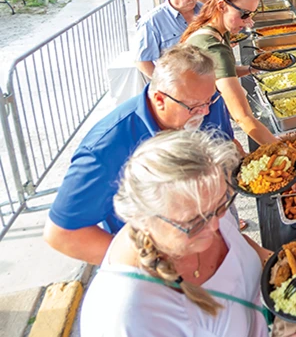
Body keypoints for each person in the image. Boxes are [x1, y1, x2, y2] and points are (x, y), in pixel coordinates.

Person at [80, 130, 296, 337]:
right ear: (145, 219)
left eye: (221, 206)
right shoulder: (126, 317)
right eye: (194, 223)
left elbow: (236, 243)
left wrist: (279, 263)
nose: (215, 224)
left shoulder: (205, 198)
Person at [43, 45, 235, 264]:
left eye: (209, 101)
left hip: (218, 224)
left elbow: (226, 144)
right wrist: (148, 266)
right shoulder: (106, 148)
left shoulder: (205, 100)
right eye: (193, 106)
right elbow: (61, 234)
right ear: (160, 99)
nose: (206, 112)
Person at [182, 0, 280, 146]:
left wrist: (252, 68)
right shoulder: (214, 47)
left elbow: (221, 72)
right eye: (244, 14)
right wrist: (287, 154)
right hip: (200, 135)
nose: (249, 22)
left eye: (252, 15)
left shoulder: (215, 29)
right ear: (221, 6)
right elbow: (242, 117)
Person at [135, 0, 204, 78]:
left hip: (208, 76)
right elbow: (142, 61)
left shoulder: (204, 11)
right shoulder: (152, 22)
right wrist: (164, 83)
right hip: (177, 81)